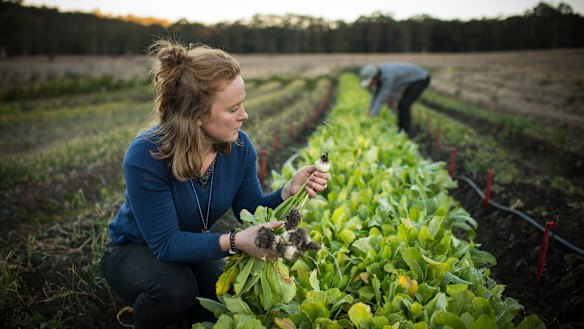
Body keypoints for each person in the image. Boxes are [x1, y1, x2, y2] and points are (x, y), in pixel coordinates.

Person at [100, 39, 329, 329]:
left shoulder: (239, 147)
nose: (244, 115)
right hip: (134, 249)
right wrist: (235, 242)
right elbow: (166, 244)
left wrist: (288, 191)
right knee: (175, 289)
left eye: (242, 104)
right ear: (197, 116)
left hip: (189, 242)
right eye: (233, 109)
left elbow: (249, 208)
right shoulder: (147, 154)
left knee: (221, 295)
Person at [360, 62, 431, 135]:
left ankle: (406, 132)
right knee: (402, 105)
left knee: (404, 105)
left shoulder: (388, 77)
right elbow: (375, 94)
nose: (372, 84)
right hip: (415, 80)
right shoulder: (380, 74)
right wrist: (369, 109)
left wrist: (372, 116)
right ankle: (401, 129)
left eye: (372, 82)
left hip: (421, 79)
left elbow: (381, 97)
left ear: (375, 76)